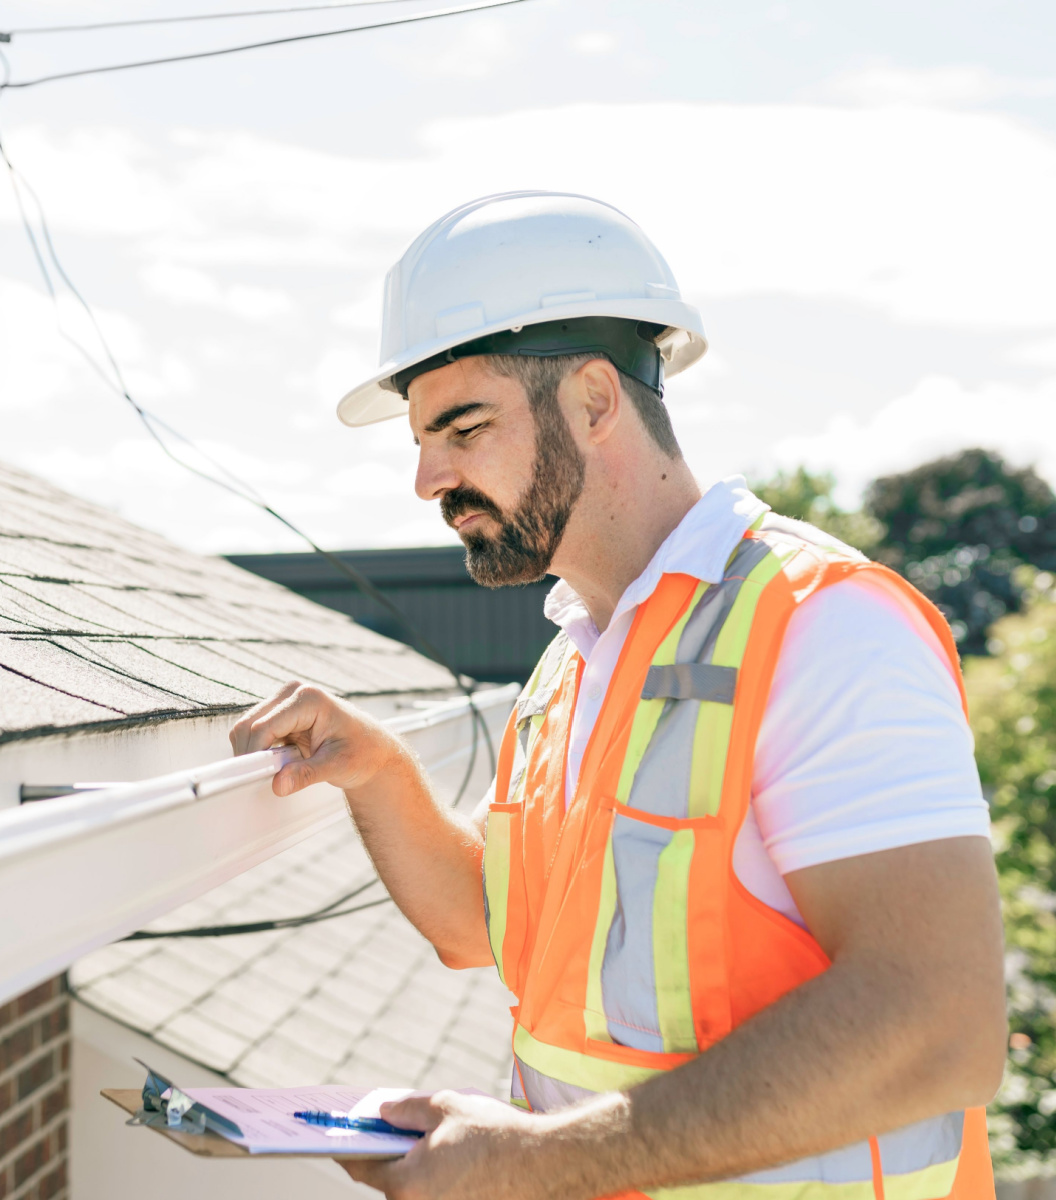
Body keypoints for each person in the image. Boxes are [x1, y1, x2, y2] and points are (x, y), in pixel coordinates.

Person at [230, 193, 1005, 1200]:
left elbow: (937, 1026)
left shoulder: (824, 628)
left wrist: (528, 1161)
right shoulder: (576, 662)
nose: (428, 478)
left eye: (463, 428)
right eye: (422, 441)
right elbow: (488, 925)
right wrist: (378, 772)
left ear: (597, 401)